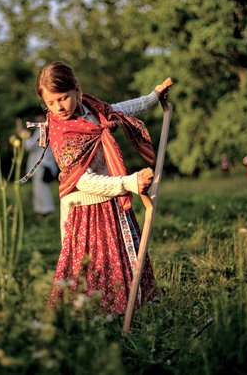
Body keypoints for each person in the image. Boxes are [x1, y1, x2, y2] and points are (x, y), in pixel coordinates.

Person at [34, 61, 171, 314]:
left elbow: (120, 110)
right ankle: (86, 321)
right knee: (89, 268)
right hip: (83, 209)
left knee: (117, 261)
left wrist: (153, 98)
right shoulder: (60, 132)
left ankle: (125, 312)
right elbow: (83, 180)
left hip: (111, 202)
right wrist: (129, 182)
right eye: (50, 103)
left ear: (77, 90)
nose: (58, 107)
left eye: (63, 98)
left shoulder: (93, 110)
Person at [17, 114, 57, 217]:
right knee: (38, 189)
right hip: (41, 164)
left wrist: (22, 134)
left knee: (42, 189)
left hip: (43, 164)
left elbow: (30, 146)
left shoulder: (44, 128)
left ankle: (47, 211)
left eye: (38, 116)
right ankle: (41, 211)